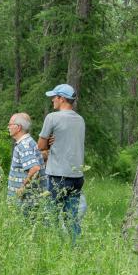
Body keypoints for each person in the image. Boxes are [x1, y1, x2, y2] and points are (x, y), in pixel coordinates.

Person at [37, 83, 85, 238]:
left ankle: (53, 249)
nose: (52, 100)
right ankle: (75, 250)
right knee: (72, 219)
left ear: (62, 99)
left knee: (51, 217)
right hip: (77, 176)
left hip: (58, 175)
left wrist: (49, 142)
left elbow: (40, 146)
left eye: (54, 97)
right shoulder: (80, 120)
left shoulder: (52, 118)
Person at [7, 112, 46, 209]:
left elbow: (35, 168)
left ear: (18, 127)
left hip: (26, 202)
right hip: (30, 201)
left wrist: (22, 187)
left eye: (10, 124)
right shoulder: (29, 141)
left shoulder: (23, 145)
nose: (8, 127)